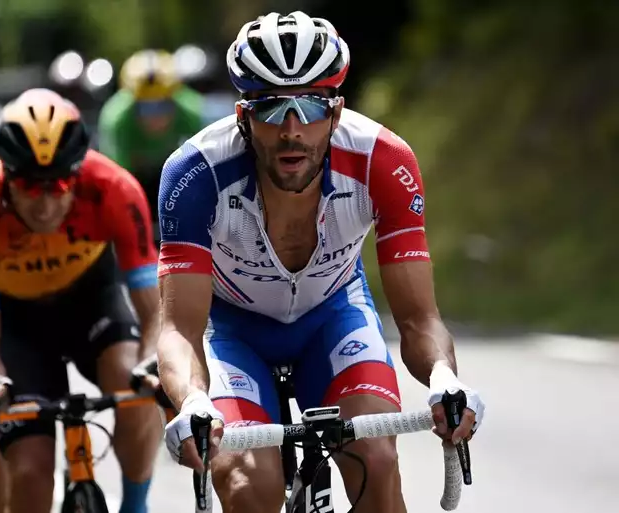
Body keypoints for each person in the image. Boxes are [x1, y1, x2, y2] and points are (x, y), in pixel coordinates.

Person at [156, 10, 486, 513]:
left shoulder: (383, 161)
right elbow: (179, 328)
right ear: (243, 116)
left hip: (332, 317)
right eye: (270, 110)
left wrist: (444, 377)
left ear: (336, 112)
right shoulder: (195, 173)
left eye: (310, 108)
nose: (292, 130)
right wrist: (194, 402)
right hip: (232, 331)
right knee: (248, 483)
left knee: (376, 463)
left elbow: (419, 319)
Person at [0, 88, 163, 513]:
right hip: (17, 321)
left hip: (91, 299)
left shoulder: (115, 189)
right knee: (30, 469)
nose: (46, 203)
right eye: (29, 185)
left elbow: (156, 309)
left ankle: (135, 507)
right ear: (7, 175)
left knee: (135, 384)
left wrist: (155, 360)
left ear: (79, 172)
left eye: (61, 183)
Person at [97, 49, 206, 234]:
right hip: (135, 177)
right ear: (132, 102)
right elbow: (117, 183)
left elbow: (206, 171)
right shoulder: (116, 121)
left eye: (162, 105)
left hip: (176, 176)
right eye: (145, 108)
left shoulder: (192, 113)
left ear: (174, 98)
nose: (155, 117)